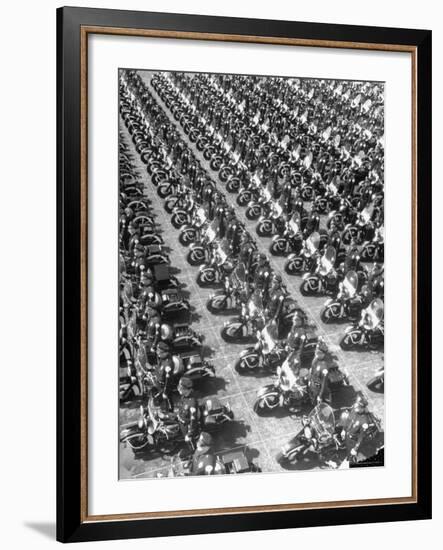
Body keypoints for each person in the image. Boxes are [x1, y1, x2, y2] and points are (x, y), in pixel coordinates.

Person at [176, 376, 200, 453]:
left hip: (186, 425)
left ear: (186, 390)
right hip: (181, 419)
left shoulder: (192, 402)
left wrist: (189, 434)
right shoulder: (184, 396)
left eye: (181, 388)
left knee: (189, 441)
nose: (179, 389)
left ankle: (194, 453)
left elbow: (193, 420)